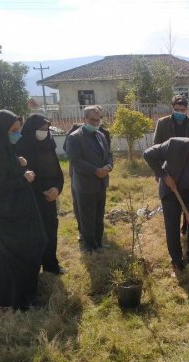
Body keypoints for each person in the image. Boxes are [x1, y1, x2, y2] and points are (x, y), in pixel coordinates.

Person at [0, 110, 47, 310]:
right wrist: (23, 178)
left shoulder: (3, 148)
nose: (17, 134)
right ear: (1, 130)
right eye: (13, 130)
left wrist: (17, 162)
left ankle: (28, 293)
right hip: (7, 216)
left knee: (34, 245)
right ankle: (20, 300)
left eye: (18, 130)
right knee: (18, 255)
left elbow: (4, 170)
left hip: (19, 211)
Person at [143, 137, 189, 275]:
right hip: (172, 189)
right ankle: (177, 260)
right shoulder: (174, 145)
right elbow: (148, 154)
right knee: (172, 225)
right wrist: (164, 176)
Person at [16, 114, 65, 275]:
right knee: (34, 234)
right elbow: (23, 174)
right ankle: (32, 269)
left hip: (50, 196)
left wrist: (57, 189)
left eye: (47, 129)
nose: (45, 132)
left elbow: (57, 171)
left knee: (51, 231)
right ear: (31, 128)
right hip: (31, 197)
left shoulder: (49, 143)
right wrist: (40, 190)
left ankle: (51, 264)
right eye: (41, 128)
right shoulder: (21, 146)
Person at [65, 106, 114, 252]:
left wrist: (109, 167)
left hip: (101, 182)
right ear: (84, 119)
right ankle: (89, 245)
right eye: (92, 119)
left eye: (98, 120)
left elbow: (109, 154)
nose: (96, 122)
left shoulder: (101, 135)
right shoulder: (74, 137)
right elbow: (75, 161)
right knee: (87, 216)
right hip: (85, 184)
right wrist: (95, 171)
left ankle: (98, 242)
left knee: (99, 214)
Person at [153, 95, 189, 235]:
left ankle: (186, 225)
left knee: (187, 199)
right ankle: (174, 226)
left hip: (188, 170)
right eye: (176, 109)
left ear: (187, 109)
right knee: (171, 199)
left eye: (182, 110)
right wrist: (159, 172)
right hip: (169, 169)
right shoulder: (162, 123)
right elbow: (156, 146)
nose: (180, 112)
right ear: (172, 108)